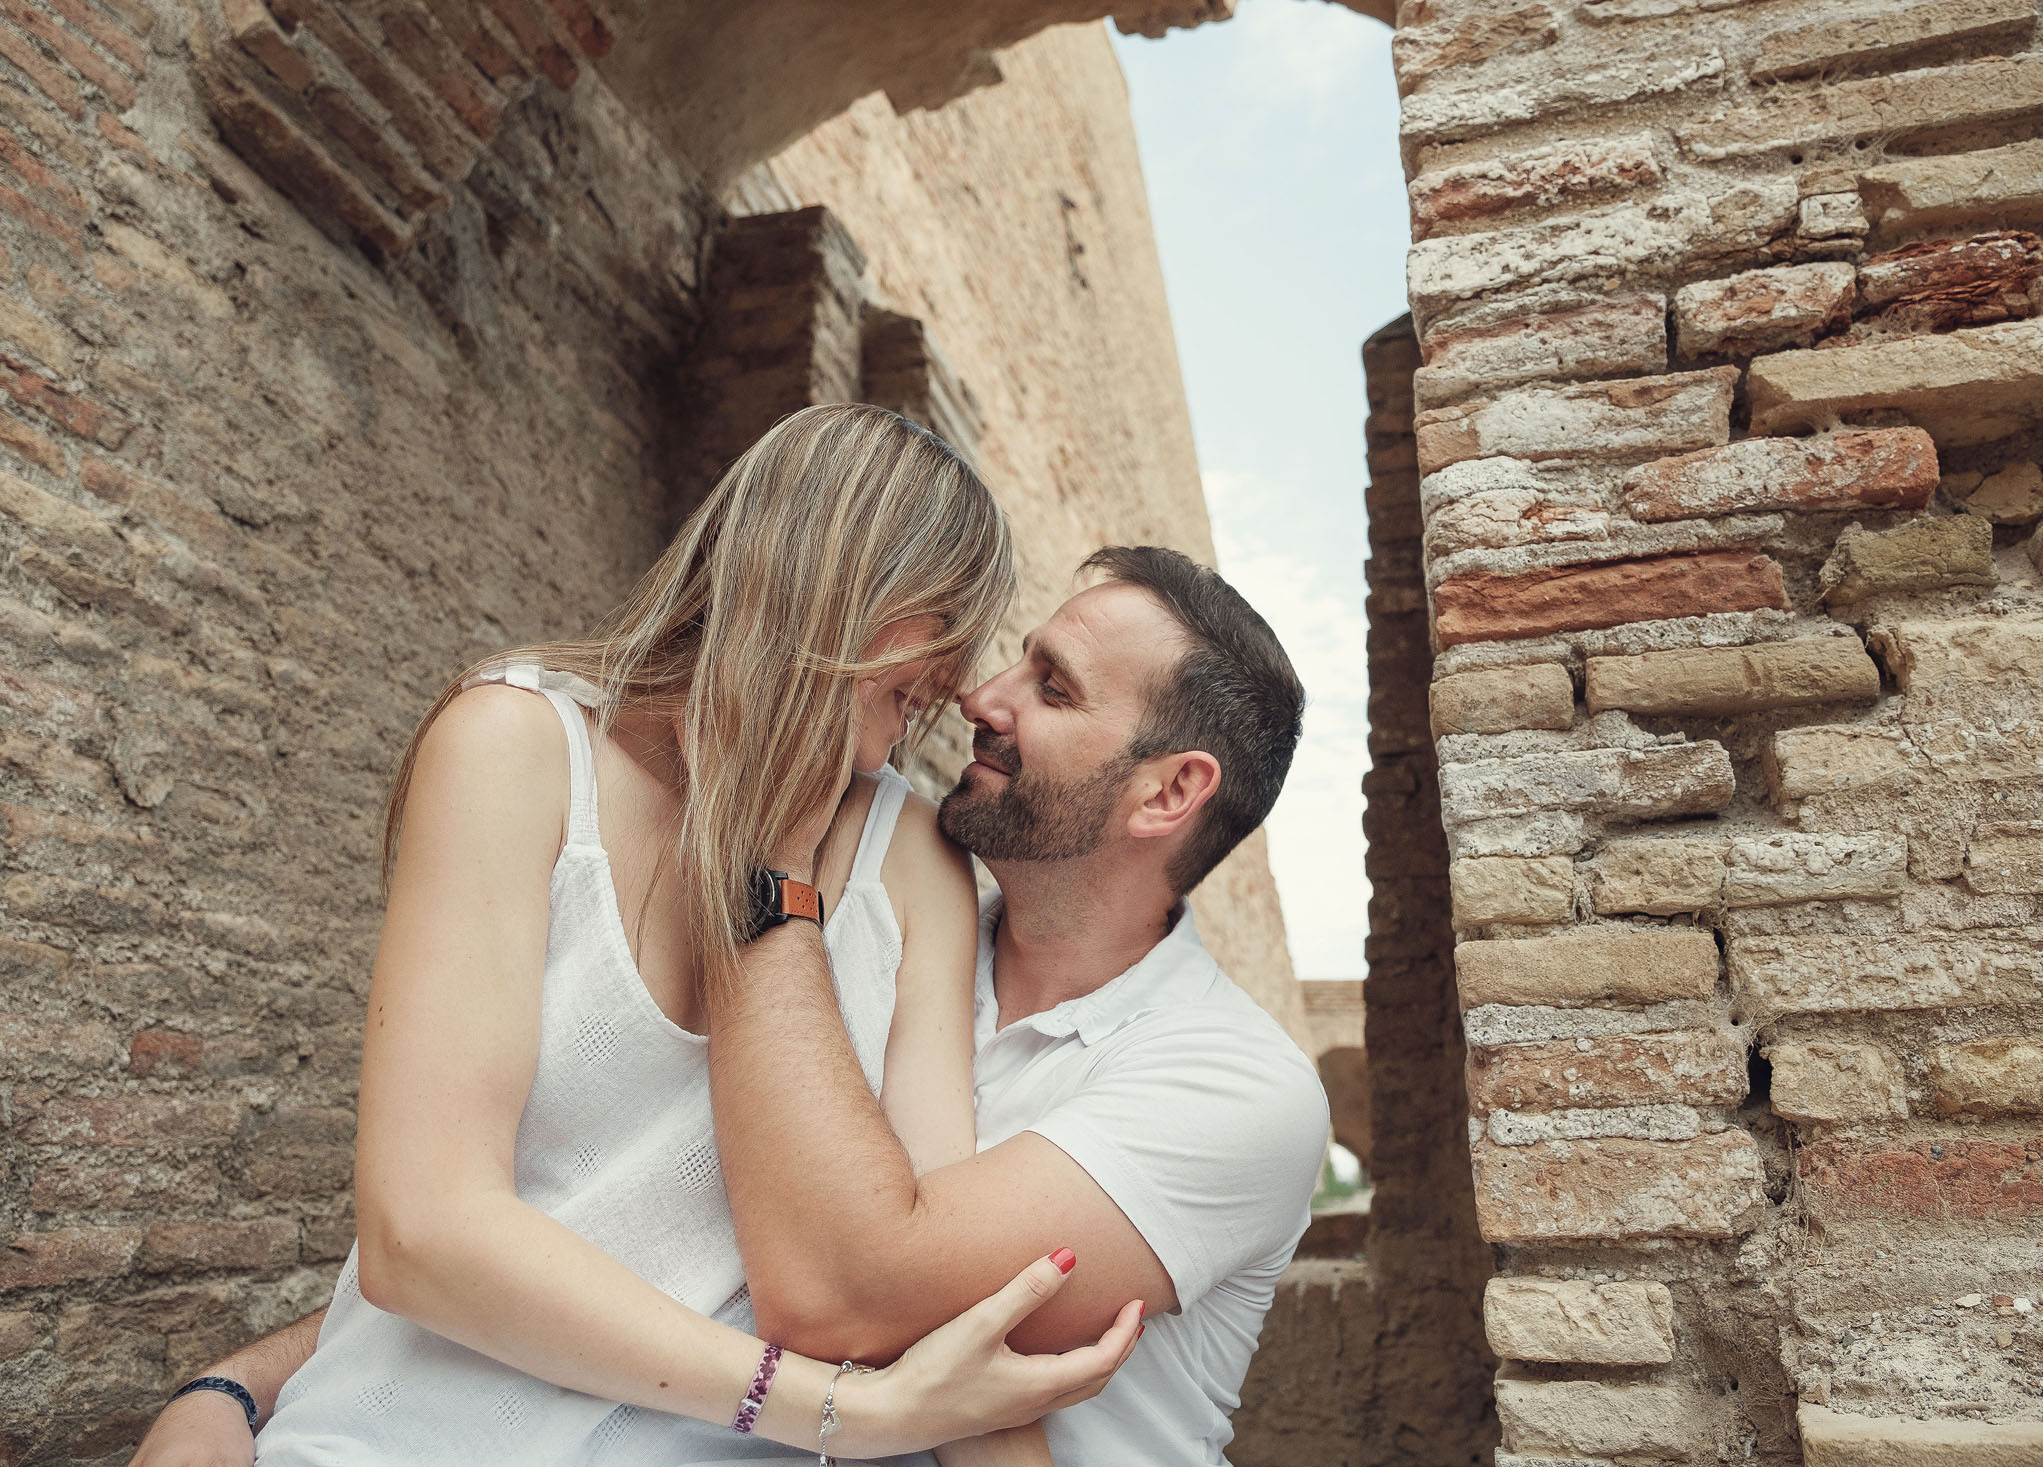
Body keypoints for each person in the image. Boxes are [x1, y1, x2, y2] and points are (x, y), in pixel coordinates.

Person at [130, 404, 1138, 1467]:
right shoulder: (516, 746)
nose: (941, 703)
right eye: (923, 662)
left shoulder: (913, 857)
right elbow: (421, 1232)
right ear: (852, 597)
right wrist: (834, 1410)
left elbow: (917, 1296)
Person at [706, 545, 1332, 1467]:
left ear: (1169, 791)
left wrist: (766, 870)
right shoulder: (889, 924)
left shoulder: (1242, 1087)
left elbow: (839, 1296)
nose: (981, 698)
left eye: (1054, 688)